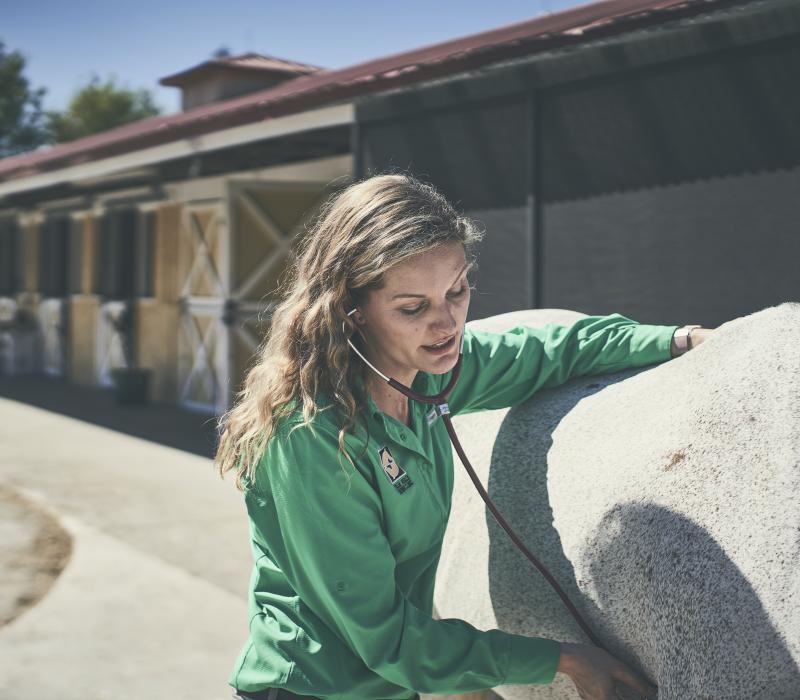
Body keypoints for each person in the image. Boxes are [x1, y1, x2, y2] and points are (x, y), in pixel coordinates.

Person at [215, 173, 711, 700]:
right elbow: (390, 641)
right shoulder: (311, 437)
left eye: (457, 291)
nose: (446, 323)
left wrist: (683, 340)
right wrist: (563, 659)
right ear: (351, 312)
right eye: (413, 308)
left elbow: (551, 347)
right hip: (312, 689)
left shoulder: (431, 373)